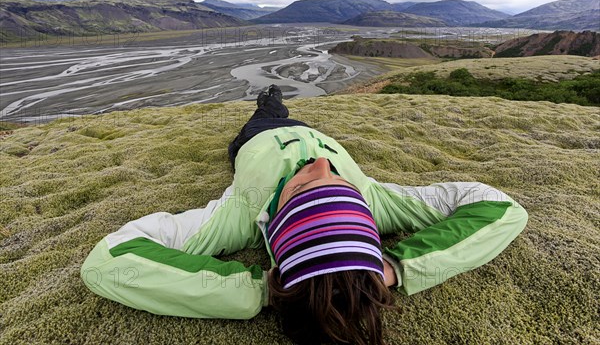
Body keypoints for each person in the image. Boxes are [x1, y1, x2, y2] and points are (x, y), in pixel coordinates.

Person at [81, 85, 528, 345]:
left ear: (277, 221)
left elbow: (110, 259)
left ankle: (268, 107)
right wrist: (391, 267)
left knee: (262, 117)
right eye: (335, 180)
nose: (318, 164)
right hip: (315, 133)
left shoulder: (236, 215)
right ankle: (272, 101)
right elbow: (499, 207)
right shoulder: (376, 199)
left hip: (254, 142)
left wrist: (263, 291)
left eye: (304, 185)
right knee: (275, 106)